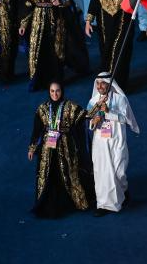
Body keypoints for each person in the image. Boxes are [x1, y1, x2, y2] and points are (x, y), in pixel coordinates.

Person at [20, 0, 88, 91]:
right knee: (38, 49)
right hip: (38, 23)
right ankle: (38, 79)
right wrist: (23, 24)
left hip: (56, 22)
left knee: (56, 50)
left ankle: (56, 78)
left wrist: (61, 2)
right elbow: (28, 6)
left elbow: (69, 1)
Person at [27, 81, 94, 218]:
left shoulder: (70, 106)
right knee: (47, 175)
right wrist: (32, 148)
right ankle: (46, 204)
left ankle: (75, 201)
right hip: (47, 149)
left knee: (69, 173)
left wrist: (98, 107)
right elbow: (37, 130)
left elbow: (84, 116)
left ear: (62, 91)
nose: (55, 94)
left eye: (57, 90)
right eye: (52, 91)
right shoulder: (43, 108)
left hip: (65, 147)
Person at [87, 73, 140, 216]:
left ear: (109, 84)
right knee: (102, 172)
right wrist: (94, 122)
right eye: (97, 84)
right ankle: (103, 204)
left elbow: (125, 118)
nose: (99, 87)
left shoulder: (120, 99)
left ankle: (123, 190)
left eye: (103, 83)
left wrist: (109, 112)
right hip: (100, 141)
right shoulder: (93, 101)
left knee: (118, 171)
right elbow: (89, 121)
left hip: (116, 139)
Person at [86, 0, 135, 88]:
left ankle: (119, 85)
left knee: (120, 53)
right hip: (104, 28)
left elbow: (134, 2)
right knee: (106, 53)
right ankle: (106, 84)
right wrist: (88, 22)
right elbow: (94, 5)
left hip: (122, 26)